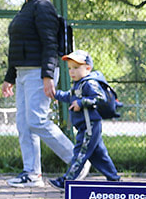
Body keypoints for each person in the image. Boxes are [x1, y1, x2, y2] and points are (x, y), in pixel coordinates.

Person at [1, 0, 76, 186]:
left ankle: (77, 160)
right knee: (24, 125)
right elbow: (18, 47)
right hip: (23, 73)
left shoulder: (42, 6)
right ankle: (32, 175)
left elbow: (50, 44)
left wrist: (47, 76)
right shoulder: (27, 6)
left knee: (37, 121)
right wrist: (9, 77)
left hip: (38, 73)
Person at [48, 50, 122, 187]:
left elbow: (100, 98)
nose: (72, 71)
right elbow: (69, 96)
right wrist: (55, 94)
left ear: (88, 68)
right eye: (70, 68)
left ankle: (66, 181)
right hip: (86, 126)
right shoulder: (78, 84)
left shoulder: (89, 83)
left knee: (80, 154)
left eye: (76, 68)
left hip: (89, 126)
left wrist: (81, 103)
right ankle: (114, 180)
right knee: (99, 155)